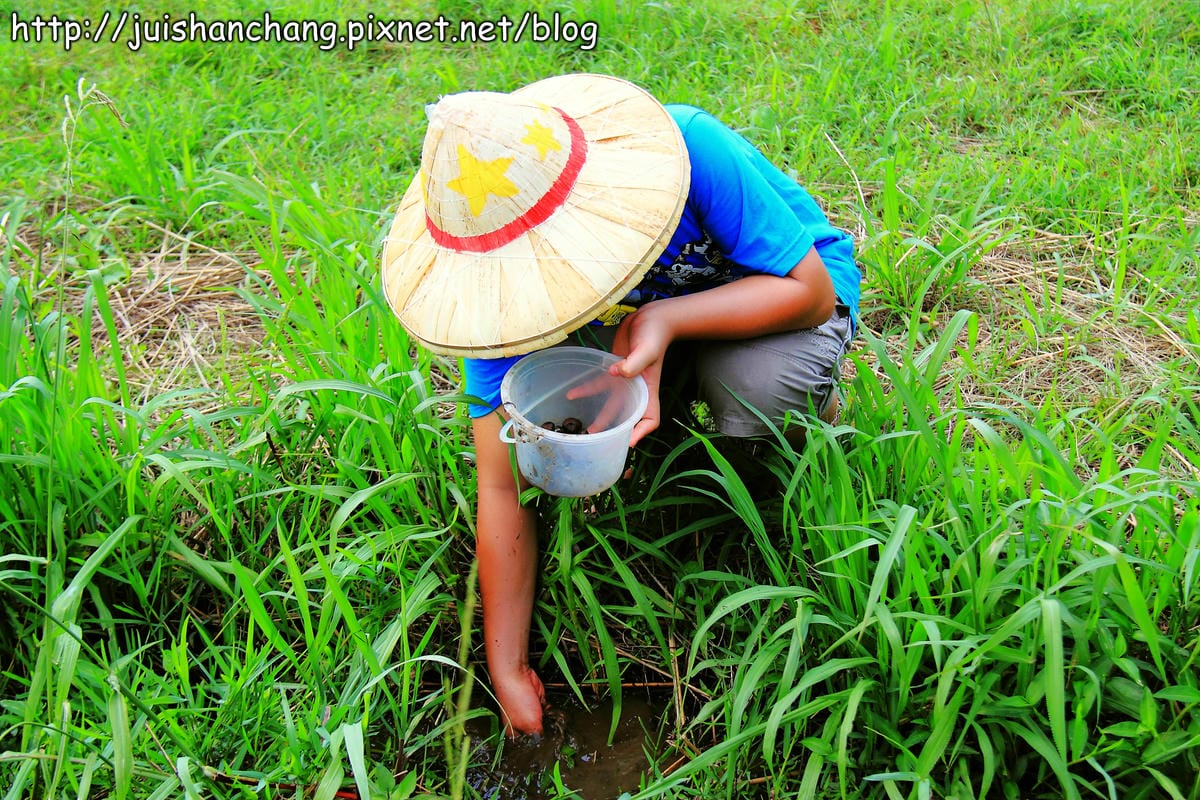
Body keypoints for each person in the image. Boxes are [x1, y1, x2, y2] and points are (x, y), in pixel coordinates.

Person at [380, 74, 860, 736]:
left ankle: (817, 417)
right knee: (566, 408)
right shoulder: (498, 304)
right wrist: (507, 668)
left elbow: (809, 291)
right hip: (649, 332)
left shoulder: (689, 151)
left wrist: (664, 320)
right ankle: (660, 418)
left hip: (774, 298)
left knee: (756, 394)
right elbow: (502, 486)